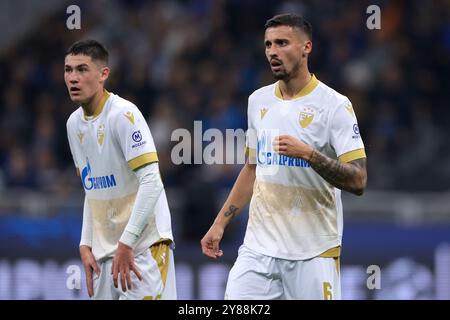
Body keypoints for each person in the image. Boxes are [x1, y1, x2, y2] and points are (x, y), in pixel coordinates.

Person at [201, 13, 367, 300]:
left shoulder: (335, 106)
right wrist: (219, 223)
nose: (272, 52)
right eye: (268, 45)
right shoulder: (258, 101)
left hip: (312, 253)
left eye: (282, 43)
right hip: (258, 250)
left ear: (306, 47)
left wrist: (310, 155)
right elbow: (252, 169)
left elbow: (359, 180)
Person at [65, 39, 176, 300]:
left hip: (143, 249)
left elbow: (152, 182)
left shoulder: (124, 115)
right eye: (68, 70)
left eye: (82, 69)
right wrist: (85, 243)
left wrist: (127, 243)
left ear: (103, 74)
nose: (73, 77)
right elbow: (90, 189)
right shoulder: (73, 124)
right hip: (106, 255)